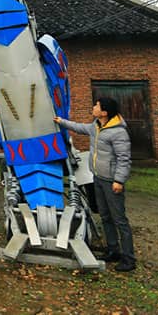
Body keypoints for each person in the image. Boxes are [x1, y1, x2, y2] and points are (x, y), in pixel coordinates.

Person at [55, 97, 136, 271]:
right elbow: (79, 127)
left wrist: (119, 180)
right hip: (98, 178)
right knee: (105, 216)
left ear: (104, 112)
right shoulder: (96, 126)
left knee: (119, 219)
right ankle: (113, 250)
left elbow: (124, 159)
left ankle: (129, 258)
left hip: (111, 182)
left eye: (97, 106)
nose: (93, 107)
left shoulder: (118, 133)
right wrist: (61, 122)